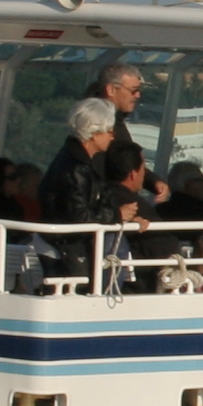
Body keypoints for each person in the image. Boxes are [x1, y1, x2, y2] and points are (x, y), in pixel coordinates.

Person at [38, 102, 144, 288]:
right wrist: (117, 215)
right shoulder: (76, 168)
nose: (113, 135)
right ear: (94, 134)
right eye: (109, 130)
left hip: (66, 245)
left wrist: (123, 215)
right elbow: (78, 216)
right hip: (68, 248)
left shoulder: (76, 161)